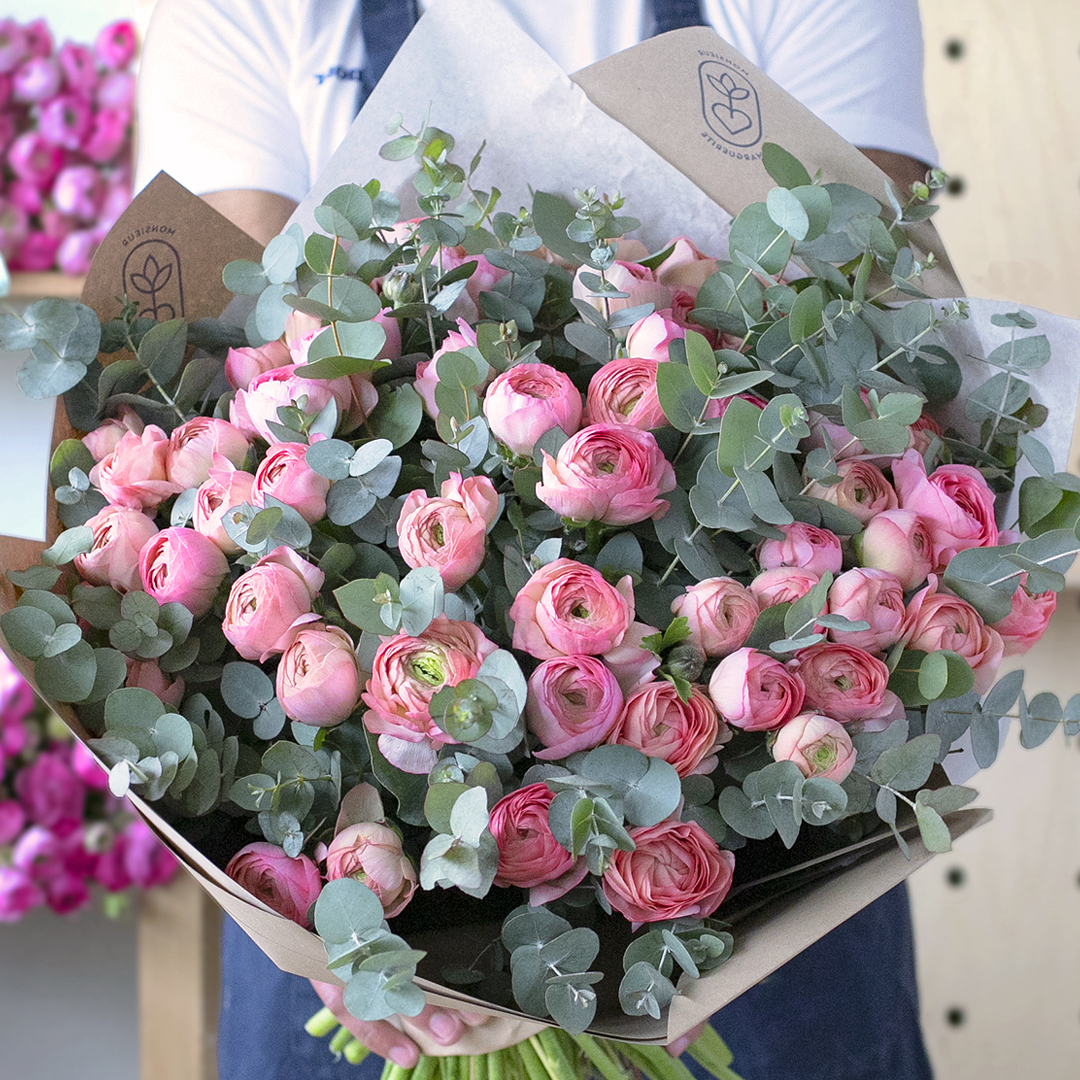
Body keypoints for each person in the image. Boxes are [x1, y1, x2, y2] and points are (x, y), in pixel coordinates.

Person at [135, 2, 938, 1077]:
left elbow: (891, 344)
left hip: (762, 894)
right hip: (356, 948)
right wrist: (340, 941)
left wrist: (677, 882)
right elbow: (204, 393)